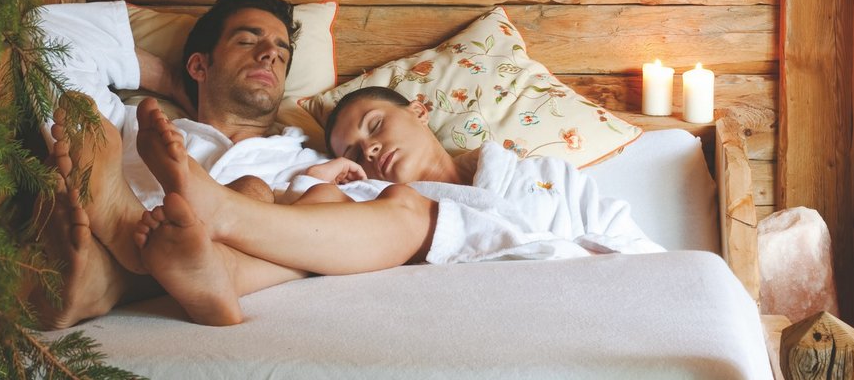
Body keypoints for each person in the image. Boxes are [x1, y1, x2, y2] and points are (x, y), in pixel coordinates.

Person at [125, 86, 661, 325]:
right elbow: (302, 237)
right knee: (310, 199)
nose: (370, 149)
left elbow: (648, 261)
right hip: (402, 263)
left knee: (400, 203)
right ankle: (223, 273)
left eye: (375, 127)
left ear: (422, 113)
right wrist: (320, 177)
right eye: (355, 150)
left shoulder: (542, 176)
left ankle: (220, 219)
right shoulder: (358, 191)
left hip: (541, 276)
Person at [26, 0, 342, 327]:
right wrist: (170, 80)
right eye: (248, 41)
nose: (269, 55)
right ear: (198, 65)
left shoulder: (313, 162)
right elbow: (42, 32)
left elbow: (358, 228)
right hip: (98, 215)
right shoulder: (135, 128)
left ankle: (105, 273)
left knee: (255, 190)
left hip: (207, 256)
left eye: (282, 52)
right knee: (80, 129)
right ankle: (93, 275)